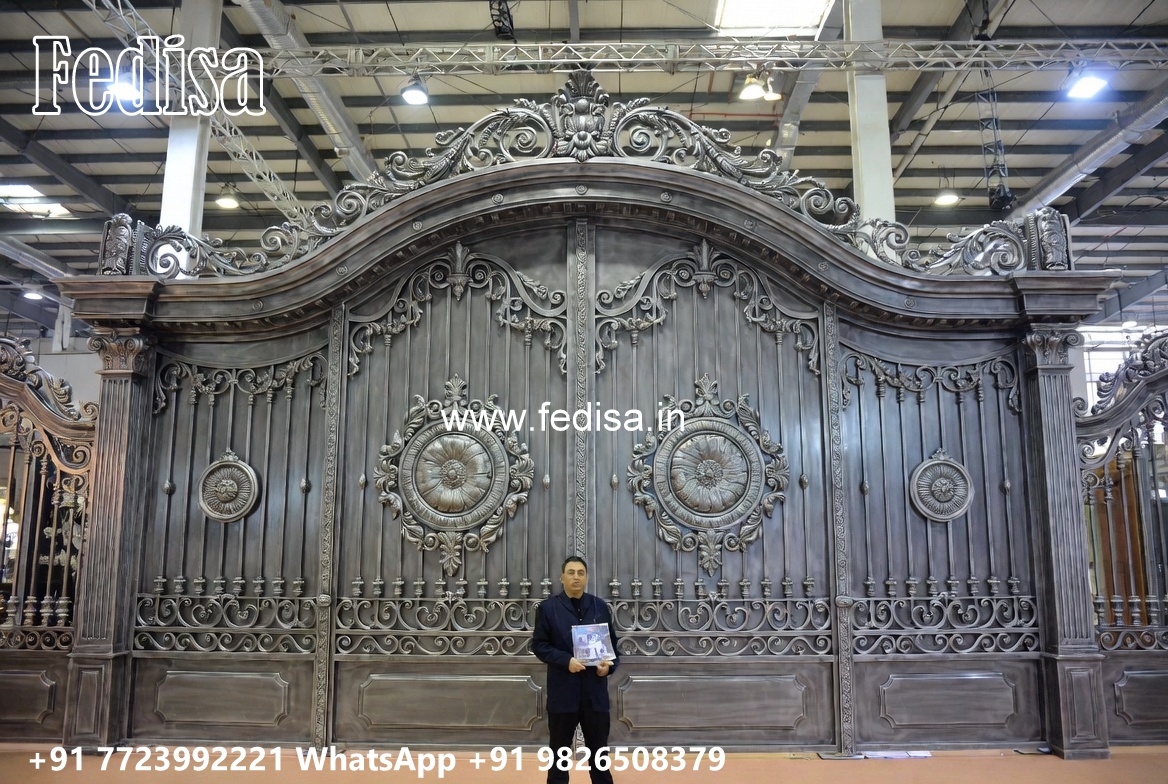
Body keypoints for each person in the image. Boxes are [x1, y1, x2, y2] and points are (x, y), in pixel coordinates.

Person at [532, 556, 619, 784]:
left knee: (599, 756)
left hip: (594, 694)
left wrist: (607, 669)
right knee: (559, 755)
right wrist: (566, 660)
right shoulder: (548, 609)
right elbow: (539, 646)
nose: (576, 577)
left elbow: (612, 648)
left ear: (587, 577)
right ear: (562, 577)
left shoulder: (599, 606)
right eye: (571, 572)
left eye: (581, 573)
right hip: (563, 693)